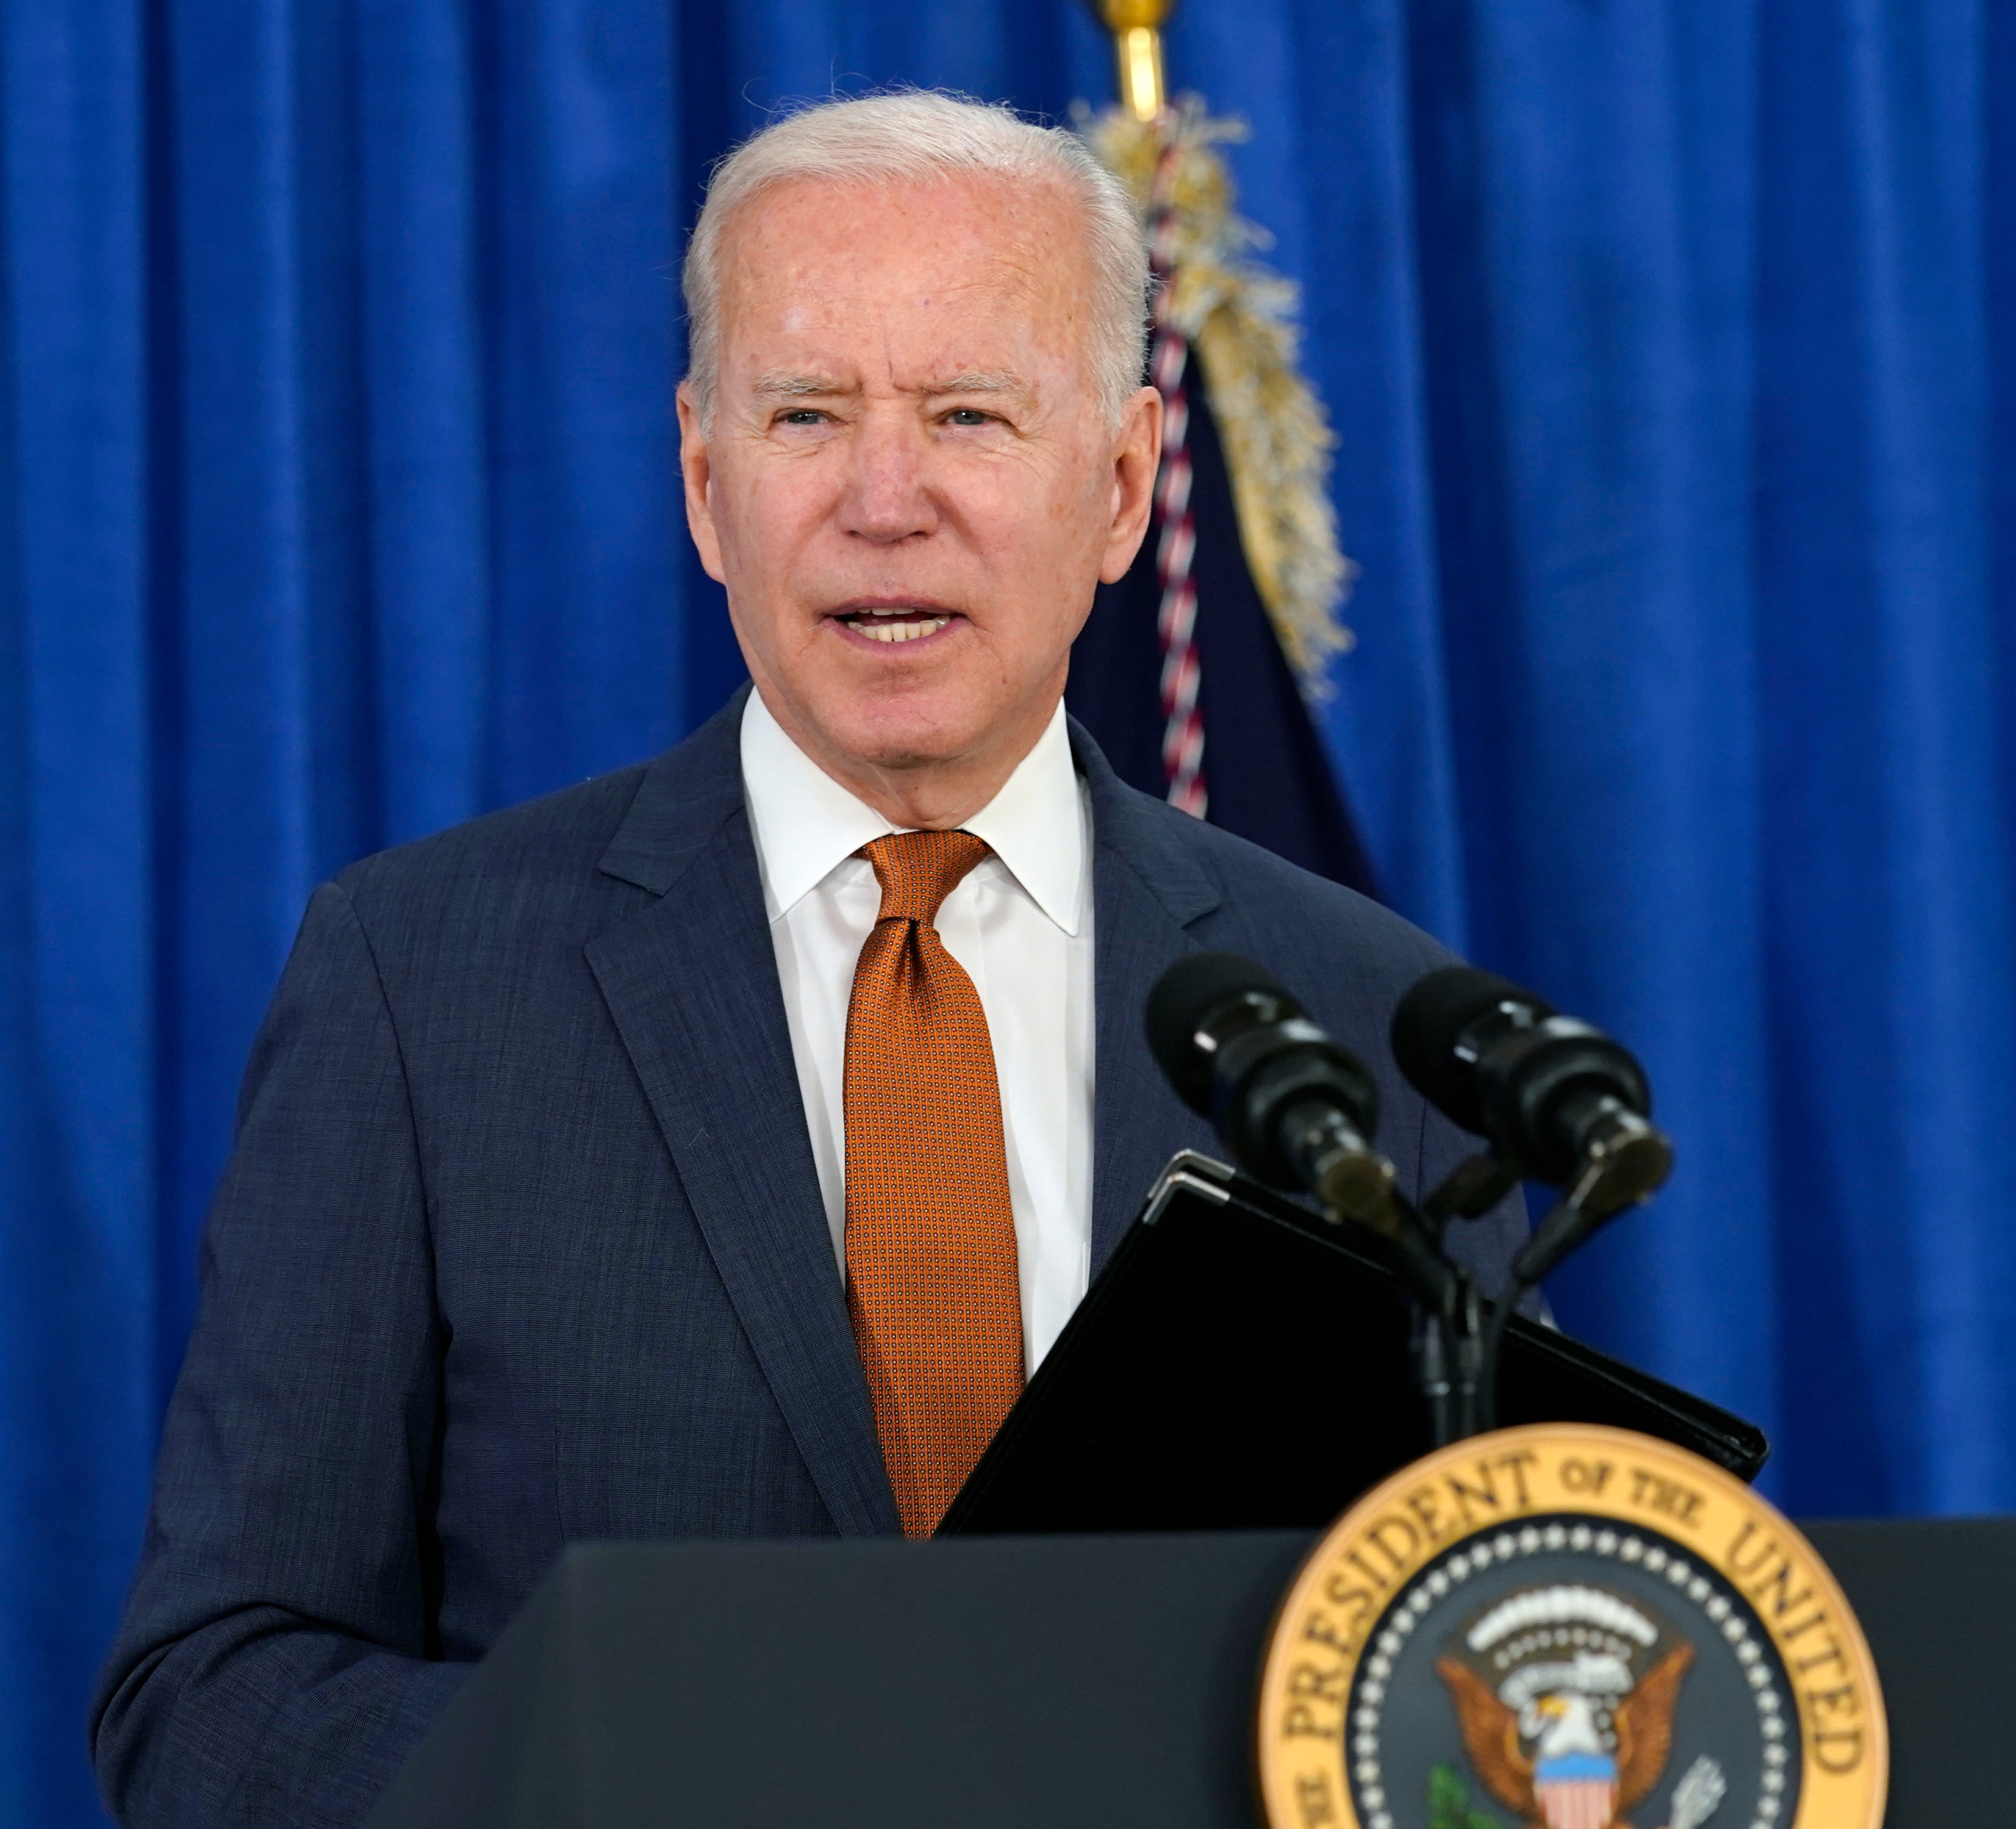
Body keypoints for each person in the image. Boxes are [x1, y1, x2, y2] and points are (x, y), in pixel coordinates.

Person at [90, 90, 1521, 1825]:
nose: (883, 499)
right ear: (706, 483)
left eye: (969, 415)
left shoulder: (1364, 1027)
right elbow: (214, 1691)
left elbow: (1472, 1665)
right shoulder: (422, 985)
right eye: (806, 415)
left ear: (1126, 482)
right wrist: (652, 1782)